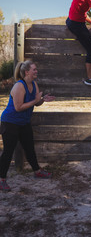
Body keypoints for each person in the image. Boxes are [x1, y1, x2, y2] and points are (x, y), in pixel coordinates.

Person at [0, 60, 55, 192]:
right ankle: (1, 179)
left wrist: (42, 100)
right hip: (10, 122)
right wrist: (35, 100)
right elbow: (18, 107)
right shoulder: (19, 86)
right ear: (27, 72)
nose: (36, 71)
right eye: (34, 69)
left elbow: (35, 103)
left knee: (29, 148)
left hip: (24, 122)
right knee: (8, 151)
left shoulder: (34, 84)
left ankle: (37, 171)